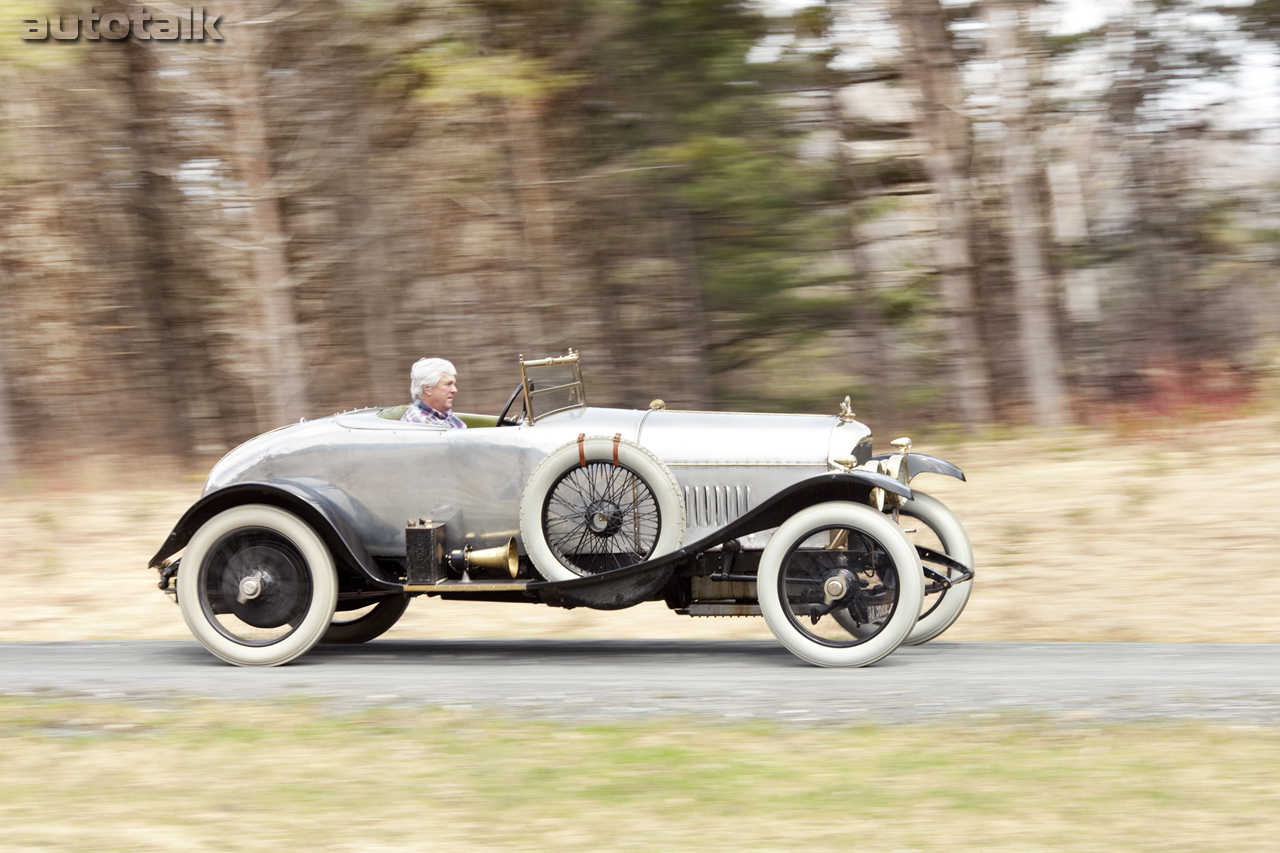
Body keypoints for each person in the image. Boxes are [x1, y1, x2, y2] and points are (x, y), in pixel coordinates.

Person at [401, 357, 467, 429]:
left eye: (453, 384)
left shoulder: (445, 414)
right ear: (427, 388)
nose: (455, 390)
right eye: (448, 384)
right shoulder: (417, 423)